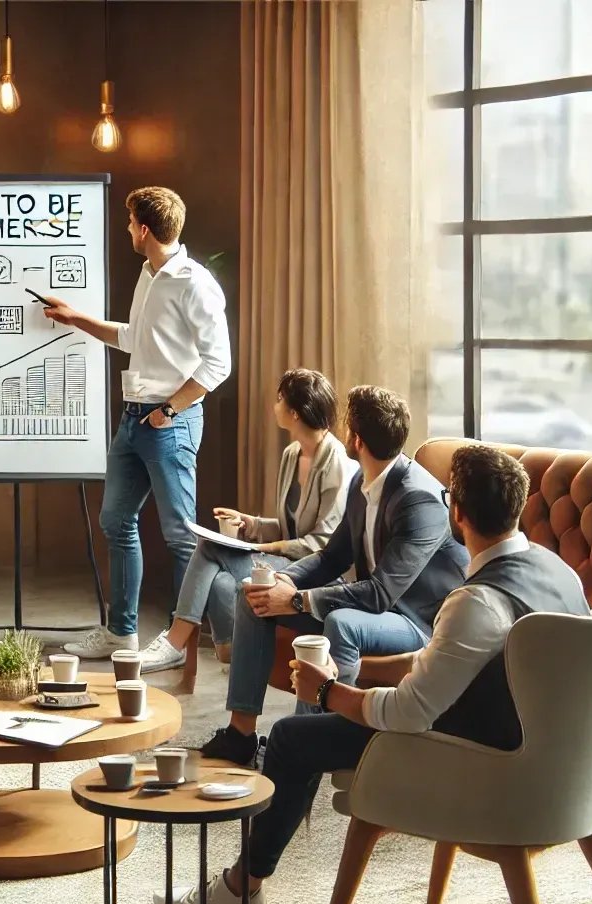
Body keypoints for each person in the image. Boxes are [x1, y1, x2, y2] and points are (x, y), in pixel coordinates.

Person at [156, 444, 590, 904]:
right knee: (324, 716)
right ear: (518, 507)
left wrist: (326, 693)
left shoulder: (476, 602)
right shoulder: (560, 572)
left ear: (458, 512)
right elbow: (460, 663)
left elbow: (407, 715)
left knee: (290, 739)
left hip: (474, 762)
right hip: (556, 769)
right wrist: (367, 670)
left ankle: (241, 890)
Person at [199, 385, 467, 766]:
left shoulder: (418, 499)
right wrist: (284, 582)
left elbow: (380, 594)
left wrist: (295, 600)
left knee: (342, 622)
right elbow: (332, 556)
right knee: (253, 596)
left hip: (417, 620)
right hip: (379, 609)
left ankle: (300, 745)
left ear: (354, 438)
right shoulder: (364, 481)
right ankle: (241, 734)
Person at [39, 186, 232, 660]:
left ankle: (178, 641)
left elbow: (218, 363)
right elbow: (133, 338)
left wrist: (169, 411)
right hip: (133, 419)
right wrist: (75, 318)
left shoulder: (194, 282)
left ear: (144, 229)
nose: (127, 229)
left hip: (169, 421)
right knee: (116, 520)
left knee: (180, 534)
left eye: (129, 223)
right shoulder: (149, 273)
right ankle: (121, 632)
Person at [134, 369, 351, 674]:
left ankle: (174, 642)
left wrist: (267, 547)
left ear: (296, 412)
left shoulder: (336, 463)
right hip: (288, 560)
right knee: (222, 582)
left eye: (279, 400)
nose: (274, 407)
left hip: (315, 573)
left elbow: (321, 544)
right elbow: (293, 526)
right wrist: (250, 524)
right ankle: (232, 654)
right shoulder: (292, 454)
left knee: (209, 549)